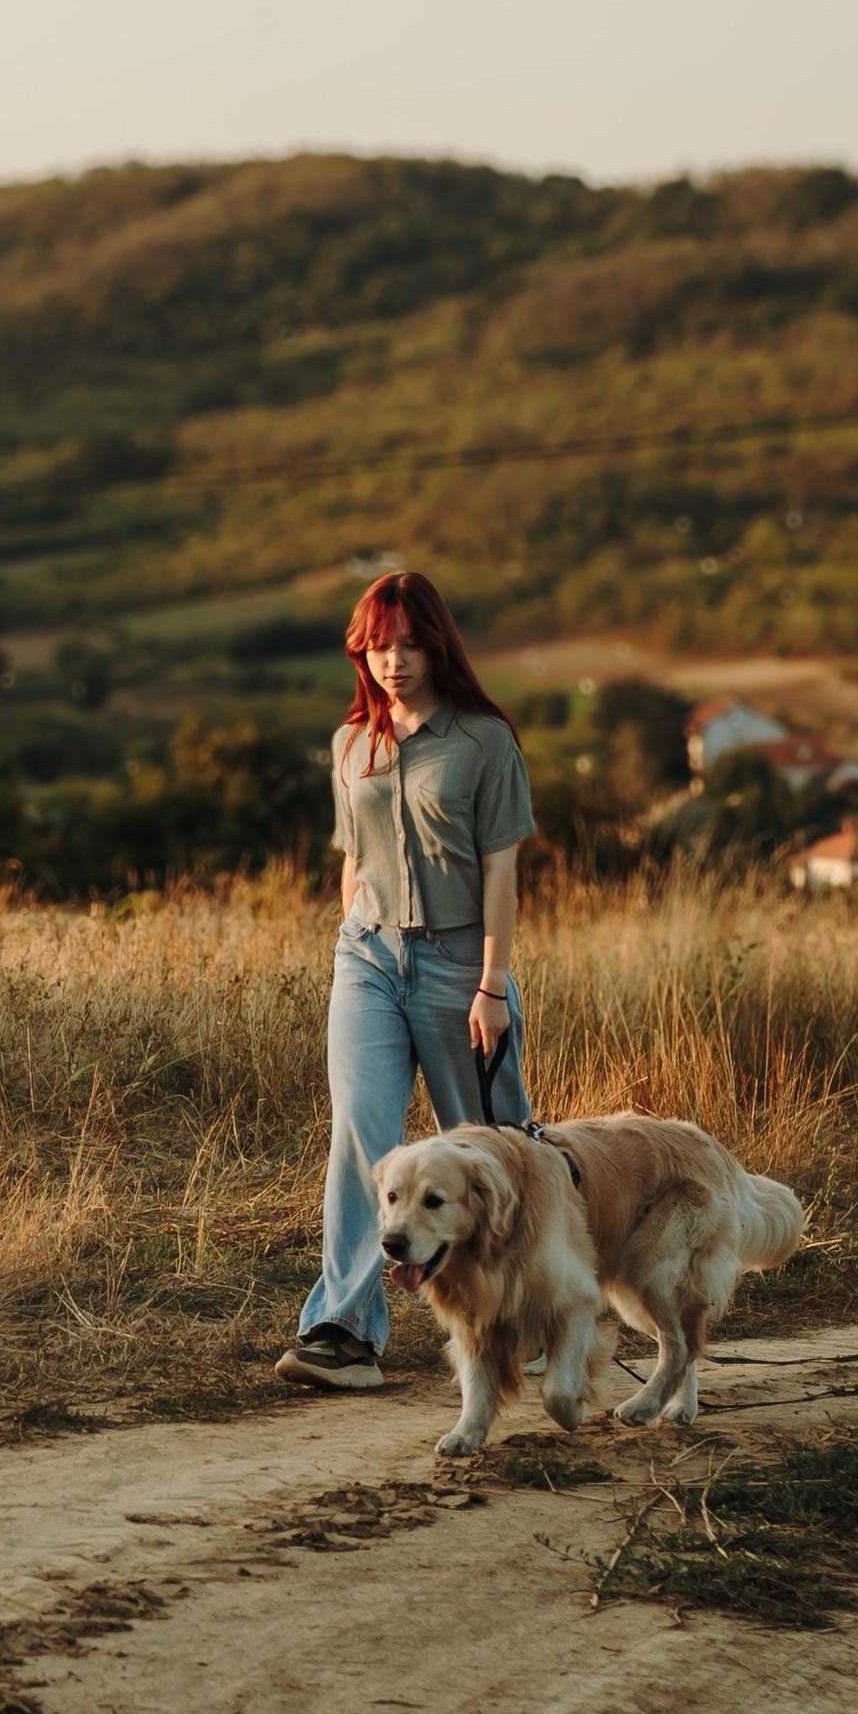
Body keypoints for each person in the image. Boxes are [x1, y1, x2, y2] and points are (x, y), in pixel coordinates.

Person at [276, 570, 536, 1392]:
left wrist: (492, 983)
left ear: (437, 643)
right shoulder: (353, 743)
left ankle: (525, 1313)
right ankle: (346, 1329)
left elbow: (502, 874)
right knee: (362, 1131)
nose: (393, 659)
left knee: (490, 1142)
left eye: (409, 642)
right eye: (379, 644)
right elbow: (354, 856)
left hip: (461, 960)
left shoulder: (486, 741)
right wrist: (354, 926)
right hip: (367, 957)